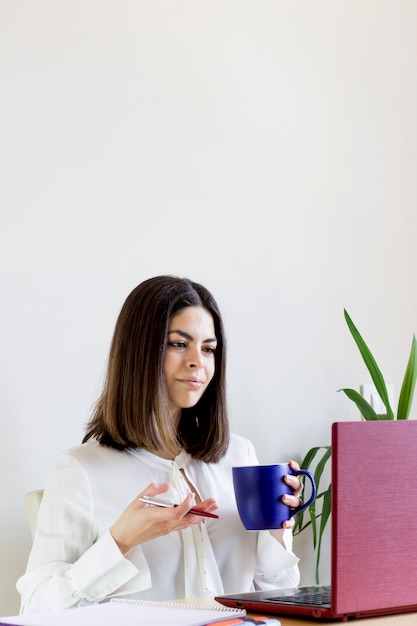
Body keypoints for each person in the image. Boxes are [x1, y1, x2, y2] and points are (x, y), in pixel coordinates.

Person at [17, 276, 303, 613]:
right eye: (179, 344)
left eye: (208, 348)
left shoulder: (239, 455)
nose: (198, 361)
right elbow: (34, 610)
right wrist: (120, 540)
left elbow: (279, 591)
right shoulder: (80, 471)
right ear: (139, 351)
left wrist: (277, 528)